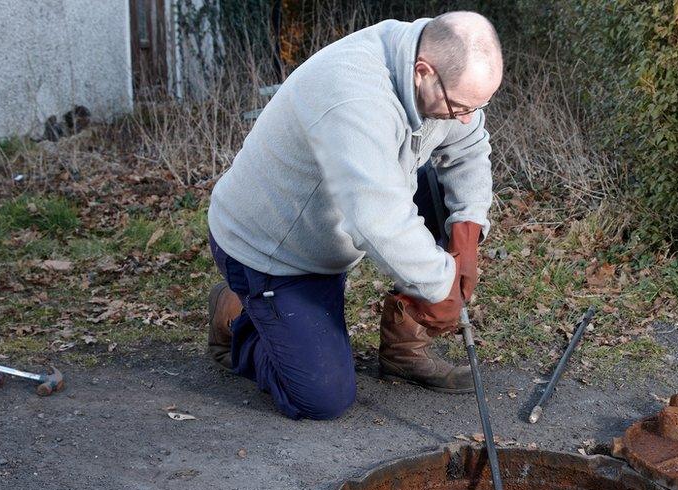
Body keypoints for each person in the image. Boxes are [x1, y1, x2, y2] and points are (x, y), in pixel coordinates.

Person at [205, 11, 503, 420]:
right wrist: (441, 287)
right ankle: (238, 318)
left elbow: (469, 147)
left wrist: (466, 236)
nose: (468, 117)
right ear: (422, 72)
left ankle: (404, 350)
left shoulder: (442, 70)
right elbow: (375, 218)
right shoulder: (354, 94)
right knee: (322, 397)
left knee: (435, 191)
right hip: (272, 249)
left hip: (332, 223)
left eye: (479, 106)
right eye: (462, 107)